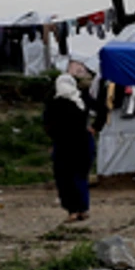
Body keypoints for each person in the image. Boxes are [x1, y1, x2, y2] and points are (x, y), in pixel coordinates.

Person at [45, 72, 94, 223]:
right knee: (80, 177)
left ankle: (72, 211)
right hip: (83, 144)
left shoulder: (54, 103)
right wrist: (95, 127)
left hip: (64, 145)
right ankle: (83, 209)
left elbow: (48, 125)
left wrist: (53, 141)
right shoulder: (81, 100)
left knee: (65, 179)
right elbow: (102, 109)